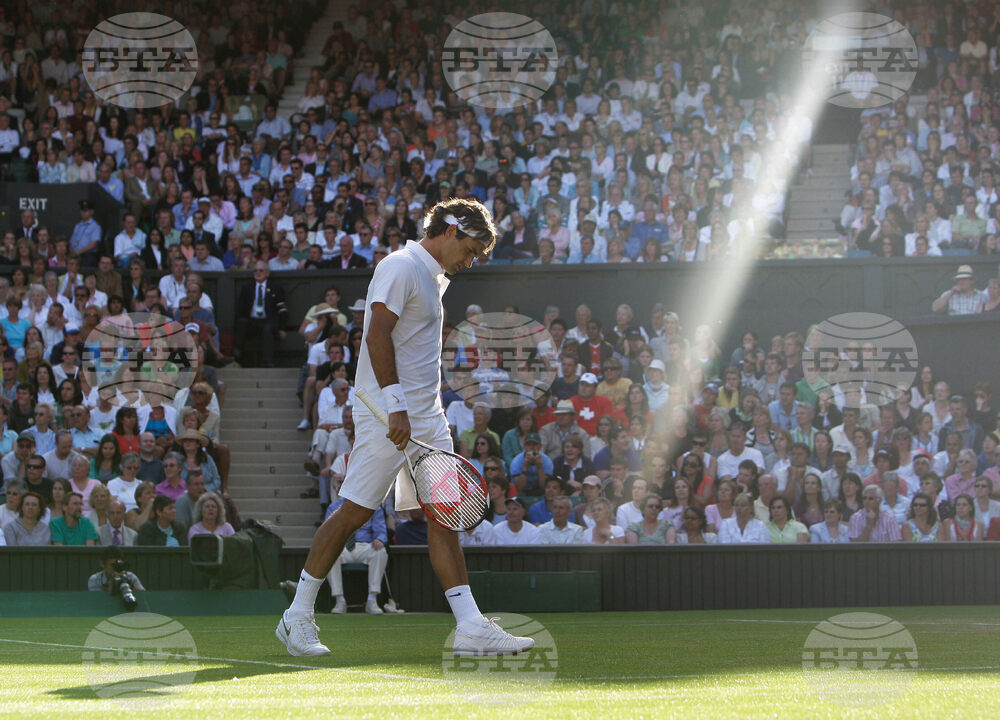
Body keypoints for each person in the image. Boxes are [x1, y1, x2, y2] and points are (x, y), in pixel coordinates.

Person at [278, 199, 532, 658]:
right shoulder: (400, 266)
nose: (471, 262)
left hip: (427, 417)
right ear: (451, 230)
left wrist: (418, 411)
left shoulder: (433, 278)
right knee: (355, 512)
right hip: (387, 414)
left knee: (445, 514)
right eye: (471, 250)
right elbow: (375, 334)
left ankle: (470, 626)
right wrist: (396, 407)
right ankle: (296, 616)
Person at [235, 261, 288, 368]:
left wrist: (282, 328)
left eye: (261, 270)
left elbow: (282, 309)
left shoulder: (276, 287)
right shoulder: (247, 288)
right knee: (241, 322)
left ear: (267, 273)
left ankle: (267, 361)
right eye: (255, 270)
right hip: (252, 321)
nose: (258, 272)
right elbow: (240, 308)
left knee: (268, 329)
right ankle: (237, 357)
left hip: (268, 320)